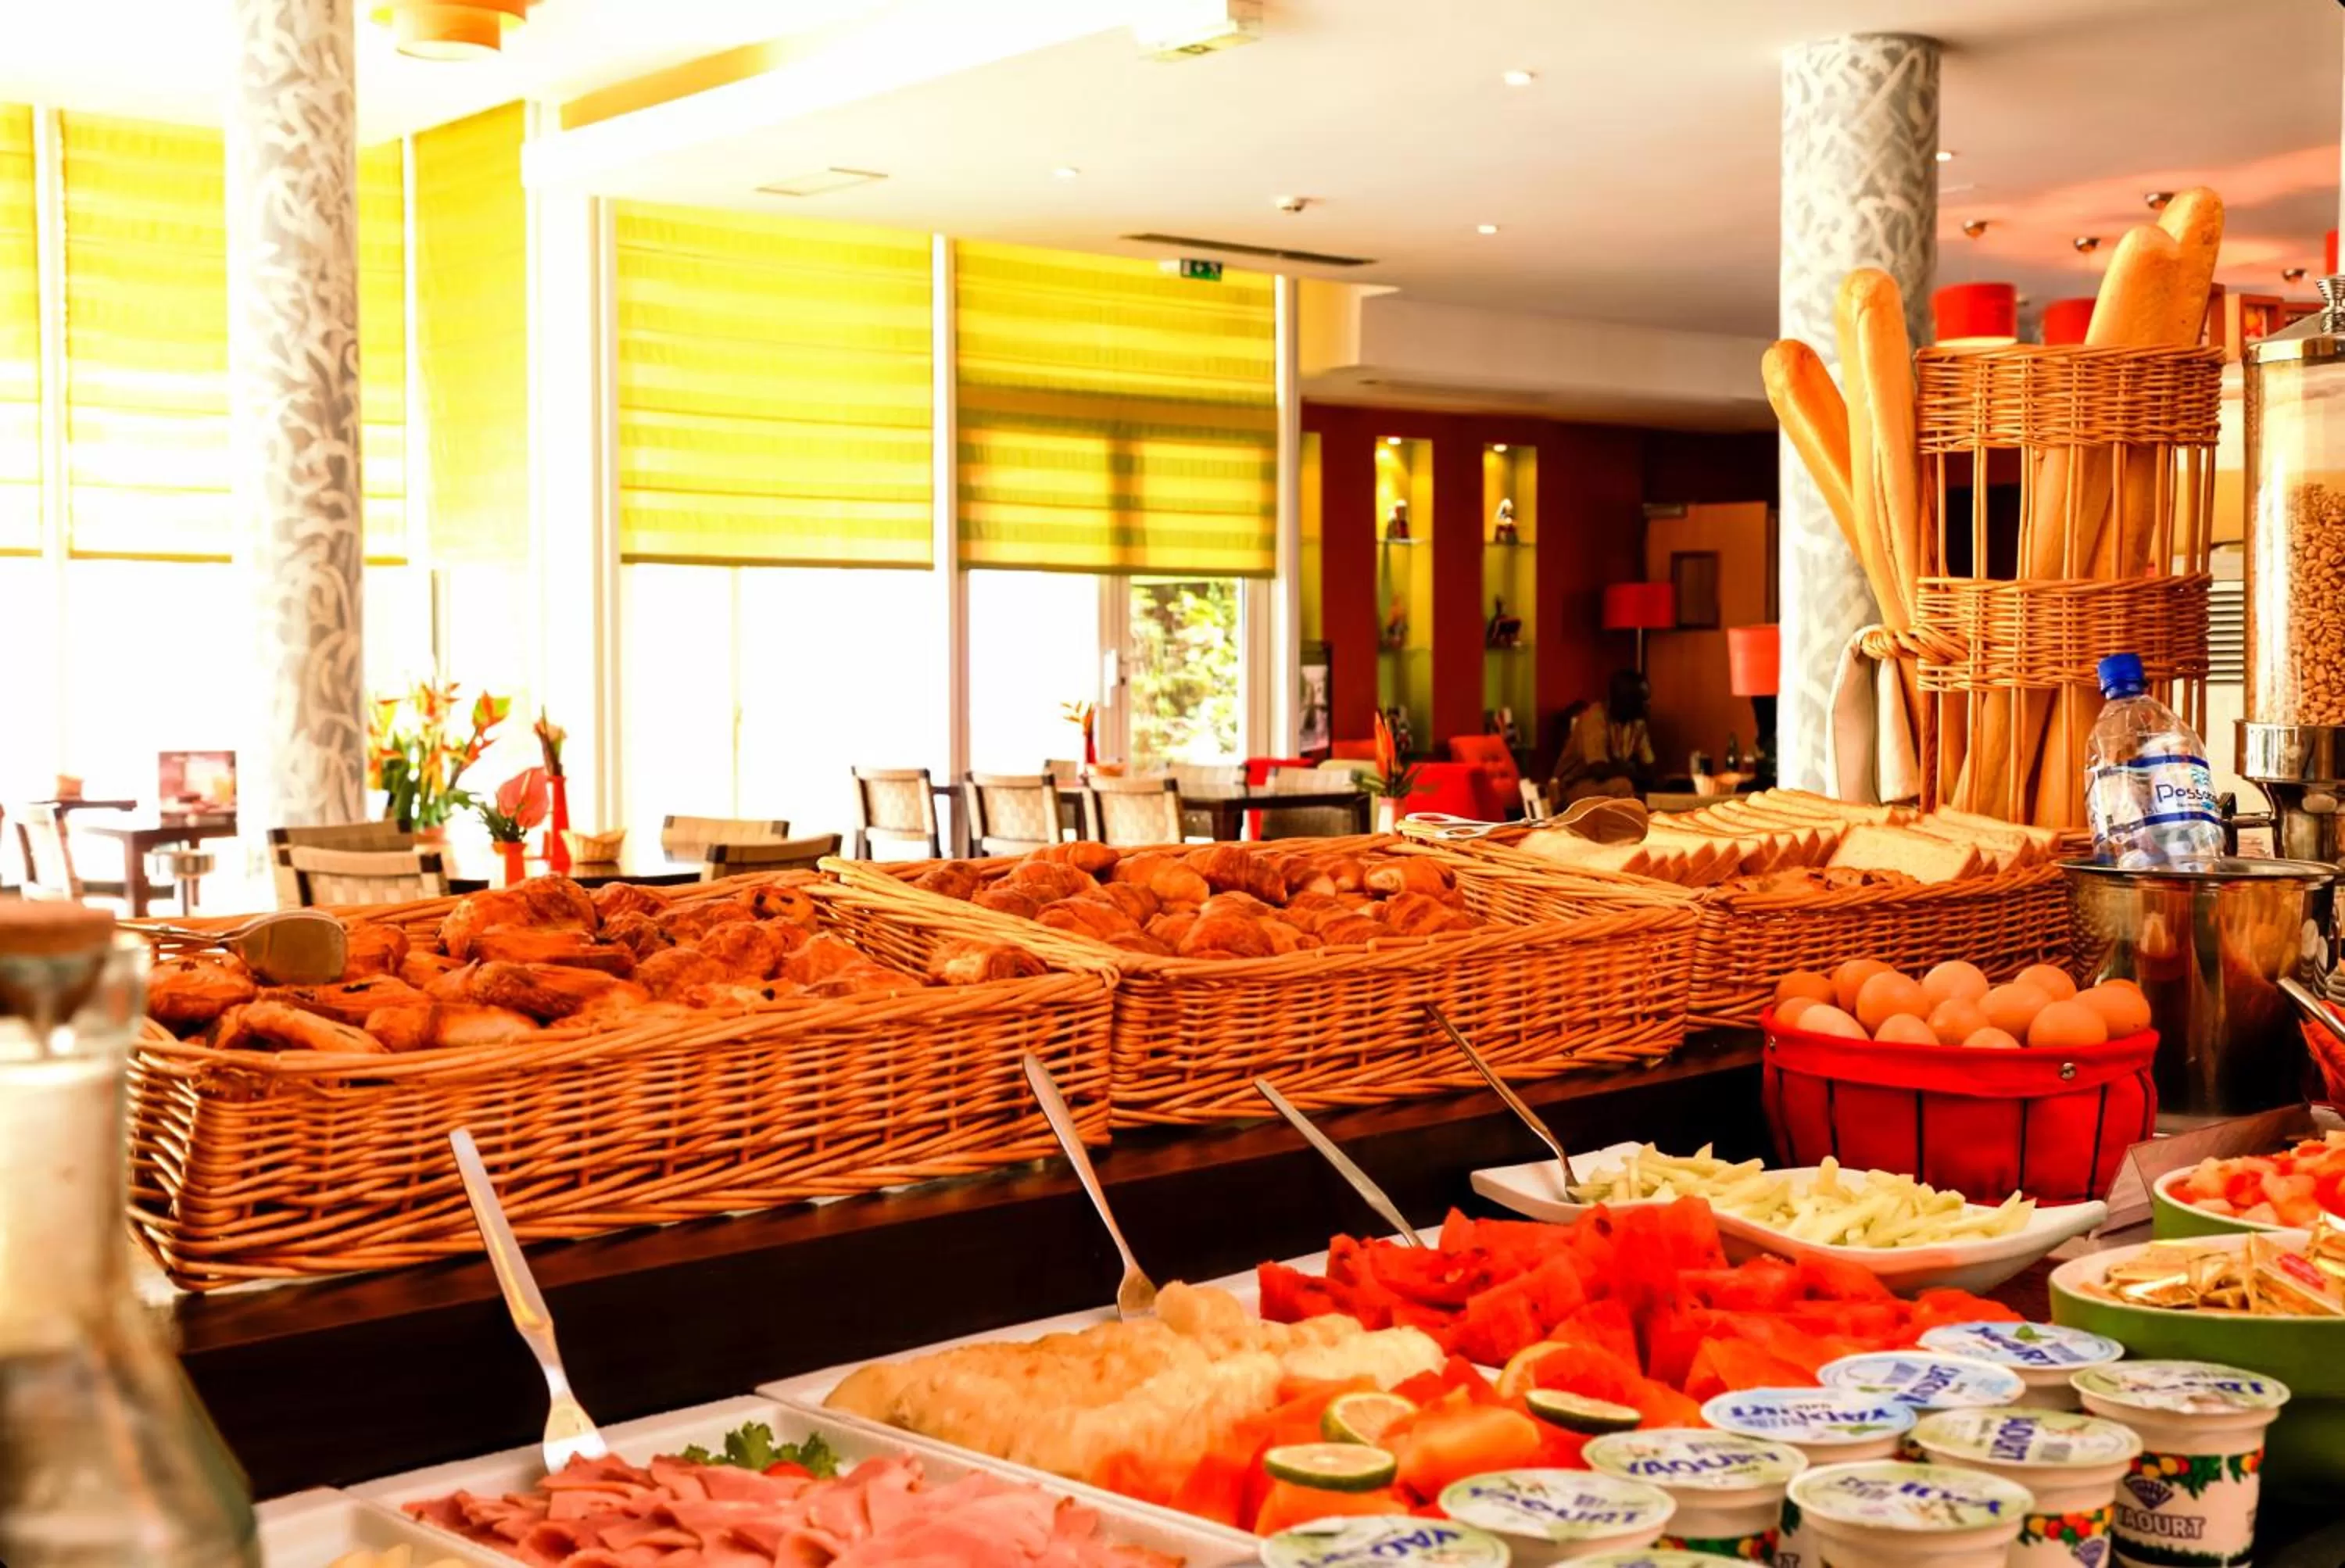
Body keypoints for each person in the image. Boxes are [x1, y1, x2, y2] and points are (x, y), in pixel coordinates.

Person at [1550, 670, 1656, 802]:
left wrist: (1631, 771)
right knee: (1622, 785)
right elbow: (1599, 770)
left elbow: (1649, 768)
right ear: (1625, 701)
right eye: (1643, 700)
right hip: (1572, 787)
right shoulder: (1594, 717)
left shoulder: (1637, 724)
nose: (1648, 705)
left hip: (1605, 784)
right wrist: (1631, 771)